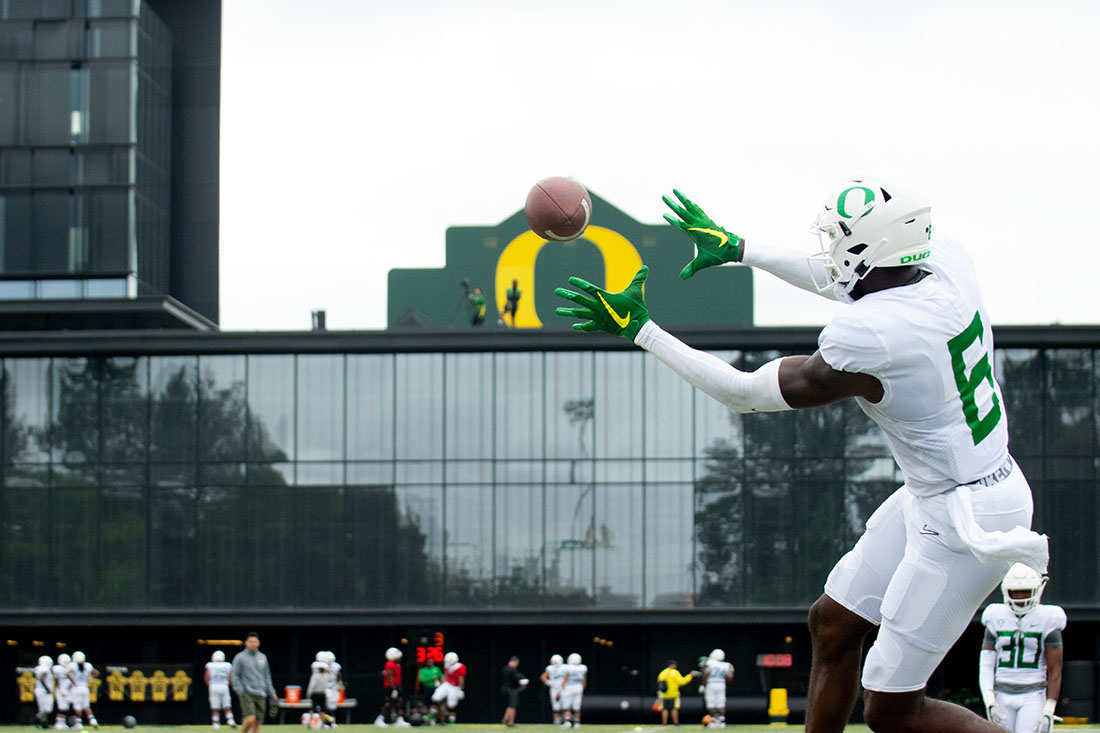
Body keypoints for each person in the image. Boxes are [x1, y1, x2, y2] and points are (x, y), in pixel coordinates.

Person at [555, 176, 1049, 733]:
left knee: (891, 710)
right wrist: (740, 249)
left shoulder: (877, 335)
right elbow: (850, 280)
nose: (832, 250)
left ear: (870, 251)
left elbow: (743, 394)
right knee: (832, 624)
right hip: (943, 488)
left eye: (842, 240)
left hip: (968, 518)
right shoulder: (940, 264)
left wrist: (643, 329)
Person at [979, 564, 1066, 733]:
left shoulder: (1048, 618)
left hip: (1033, 694)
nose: (1020, 597)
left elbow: (1055, 669)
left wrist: (1049, 710)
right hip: (1001, 694)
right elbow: (986, 664)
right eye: (1016, 592)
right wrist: (989, 700)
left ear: (1037, 590)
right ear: (1006, 591)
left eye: (1025, 591)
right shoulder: (995, 615)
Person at [231, 632, 277, 733]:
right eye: (250, 641)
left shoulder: (263, 657)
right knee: (250, 718)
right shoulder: (240, 657)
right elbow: (235, 675)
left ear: (258, 643)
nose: (253, 644)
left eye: (255, 641)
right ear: (246, 643)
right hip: (247, 691)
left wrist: (271, 692)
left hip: (261, 691)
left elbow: (267, 675)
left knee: (257, 720)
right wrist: (239, 689)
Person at [656, 660, 699, 727]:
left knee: (664, 709)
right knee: (674, 709)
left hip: (664, 694)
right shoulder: (675, 673)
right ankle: (676, 723)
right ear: (673, 665)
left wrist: (659, 695)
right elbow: (682, 682)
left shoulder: (662, 673)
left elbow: (659, 685)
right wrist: (690, 676)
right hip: (674, 694)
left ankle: (664, 724)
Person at [375, 647, 409, 727]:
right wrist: (394, 689)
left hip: (397, 686)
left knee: (399, 703)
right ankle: (379, 719)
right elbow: (389, 677)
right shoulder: (389, 664)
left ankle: (400, 719)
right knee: (388, 704)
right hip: (390, 687)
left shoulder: (397, 664)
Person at [431, 652, 466, 725]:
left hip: (455, 686)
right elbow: (445, 676)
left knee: (451, 705)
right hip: (447, 684)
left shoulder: (460, 666)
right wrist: (440, 685)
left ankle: (452, 721)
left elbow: (461, 679)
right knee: (435, 697)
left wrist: (461, 690)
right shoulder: (447, 665)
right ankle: (432, 715)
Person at [66, 651, 98, 730]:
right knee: (86, 706)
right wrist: (90, 679)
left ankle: (79, 723)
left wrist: (73, 681)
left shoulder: (72, 665)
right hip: (85, 688)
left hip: (76, 688)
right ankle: (92, 720)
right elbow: (97, 673)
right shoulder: (87, 665)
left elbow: (67, 673)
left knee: (78, 707)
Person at [702, 649, 734, 728]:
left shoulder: (709, 663)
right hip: (721, 683)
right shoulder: (726, 665)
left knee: (711, 703)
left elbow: (706, 674)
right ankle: (722, 721)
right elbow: (729, 678)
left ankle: (713, 722)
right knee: (721, 703)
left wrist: (703, 684)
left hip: (711, 683)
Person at [206, 650, 237, 729]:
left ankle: (216, 722)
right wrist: (231, 685)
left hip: (213, 686)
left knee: (215, 705)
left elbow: (207, 676)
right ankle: (230, 719)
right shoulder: (227, 665)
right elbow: (230, 677)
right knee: (227, 704)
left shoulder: (210, 665)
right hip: (224, 686)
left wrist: (209, 685)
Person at [559, 653, 587, 728]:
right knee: (577, 706)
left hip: (569, 687)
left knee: (567, 705)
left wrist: (561, 688)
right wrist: (583, 687)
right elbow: (584, 679)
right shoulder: (583, 667)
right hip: (579, 687)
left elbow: (566, 678)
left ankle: (567, 722)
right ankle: (577, 723)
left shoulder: (568, 667)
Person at [500, 656, 528, 727]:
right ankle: (510, 721)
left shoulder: (504, 668)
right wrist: (522, 682)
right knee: (513, 705)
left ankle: (506, 717)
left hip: (505, 688)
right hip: (512, 689)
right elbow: (515, 679)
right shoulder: (512, 669)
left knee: (510, 704)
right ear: (515, 662)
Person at [306, 659, 334, 729]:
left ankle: (310, 723)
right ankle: (322, 724)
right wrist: (329, 672)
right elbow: (333, 678)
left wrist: (308, 693)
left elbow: (311, 685)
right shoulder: (326, 676)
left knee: (312, 708)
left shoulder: (315, 676)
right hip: (323, 694)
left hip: (315, 694)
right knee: (322, 709)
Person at [540, 654, 567, 726]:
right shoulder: (550, 668)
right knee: (555, 707)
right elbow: (543, 677)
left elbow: (567, 677)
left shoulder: (564, 667)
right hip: (554, 689)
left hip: (563, 688)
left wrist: (561, 687)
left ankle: (565, 722)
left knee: (564, 706)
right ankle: (557, 722)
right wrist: (549, 683)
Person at [414, 658, 443, 724]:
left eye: (432, 662)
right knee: (428, 705)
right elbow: (422, 680)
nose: (430, 663)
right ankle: (428, 720)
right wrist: (432, 678)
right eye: (429, 662)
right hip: (427, 689)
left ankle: (440, 720)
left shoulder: (436, 669)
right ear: (426, 663)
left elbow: (442, 677)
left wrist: (441, 685)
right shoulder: (422, 670)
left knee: (437, 704)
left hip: (436, 689)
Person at [34, 655, 54, 729]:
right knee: (45, 709)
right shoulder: (45, 669)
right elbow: (42, 679)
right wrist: (47, 688)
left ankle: (40, 721)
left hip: (40, 689)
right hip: (43, 690)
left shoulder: (38, 668)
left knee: (46, 709)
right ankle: (42, 723)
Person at [52, 653, 72, 730]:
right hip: (61, 689)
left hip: (67, 689)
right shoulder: (57, 668)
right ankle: (58, 723)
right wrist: (60, 689)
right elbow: (57, 680)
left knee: (66, 707)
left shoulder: (69, 668)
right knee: (61, 707)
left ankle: (62, 722)